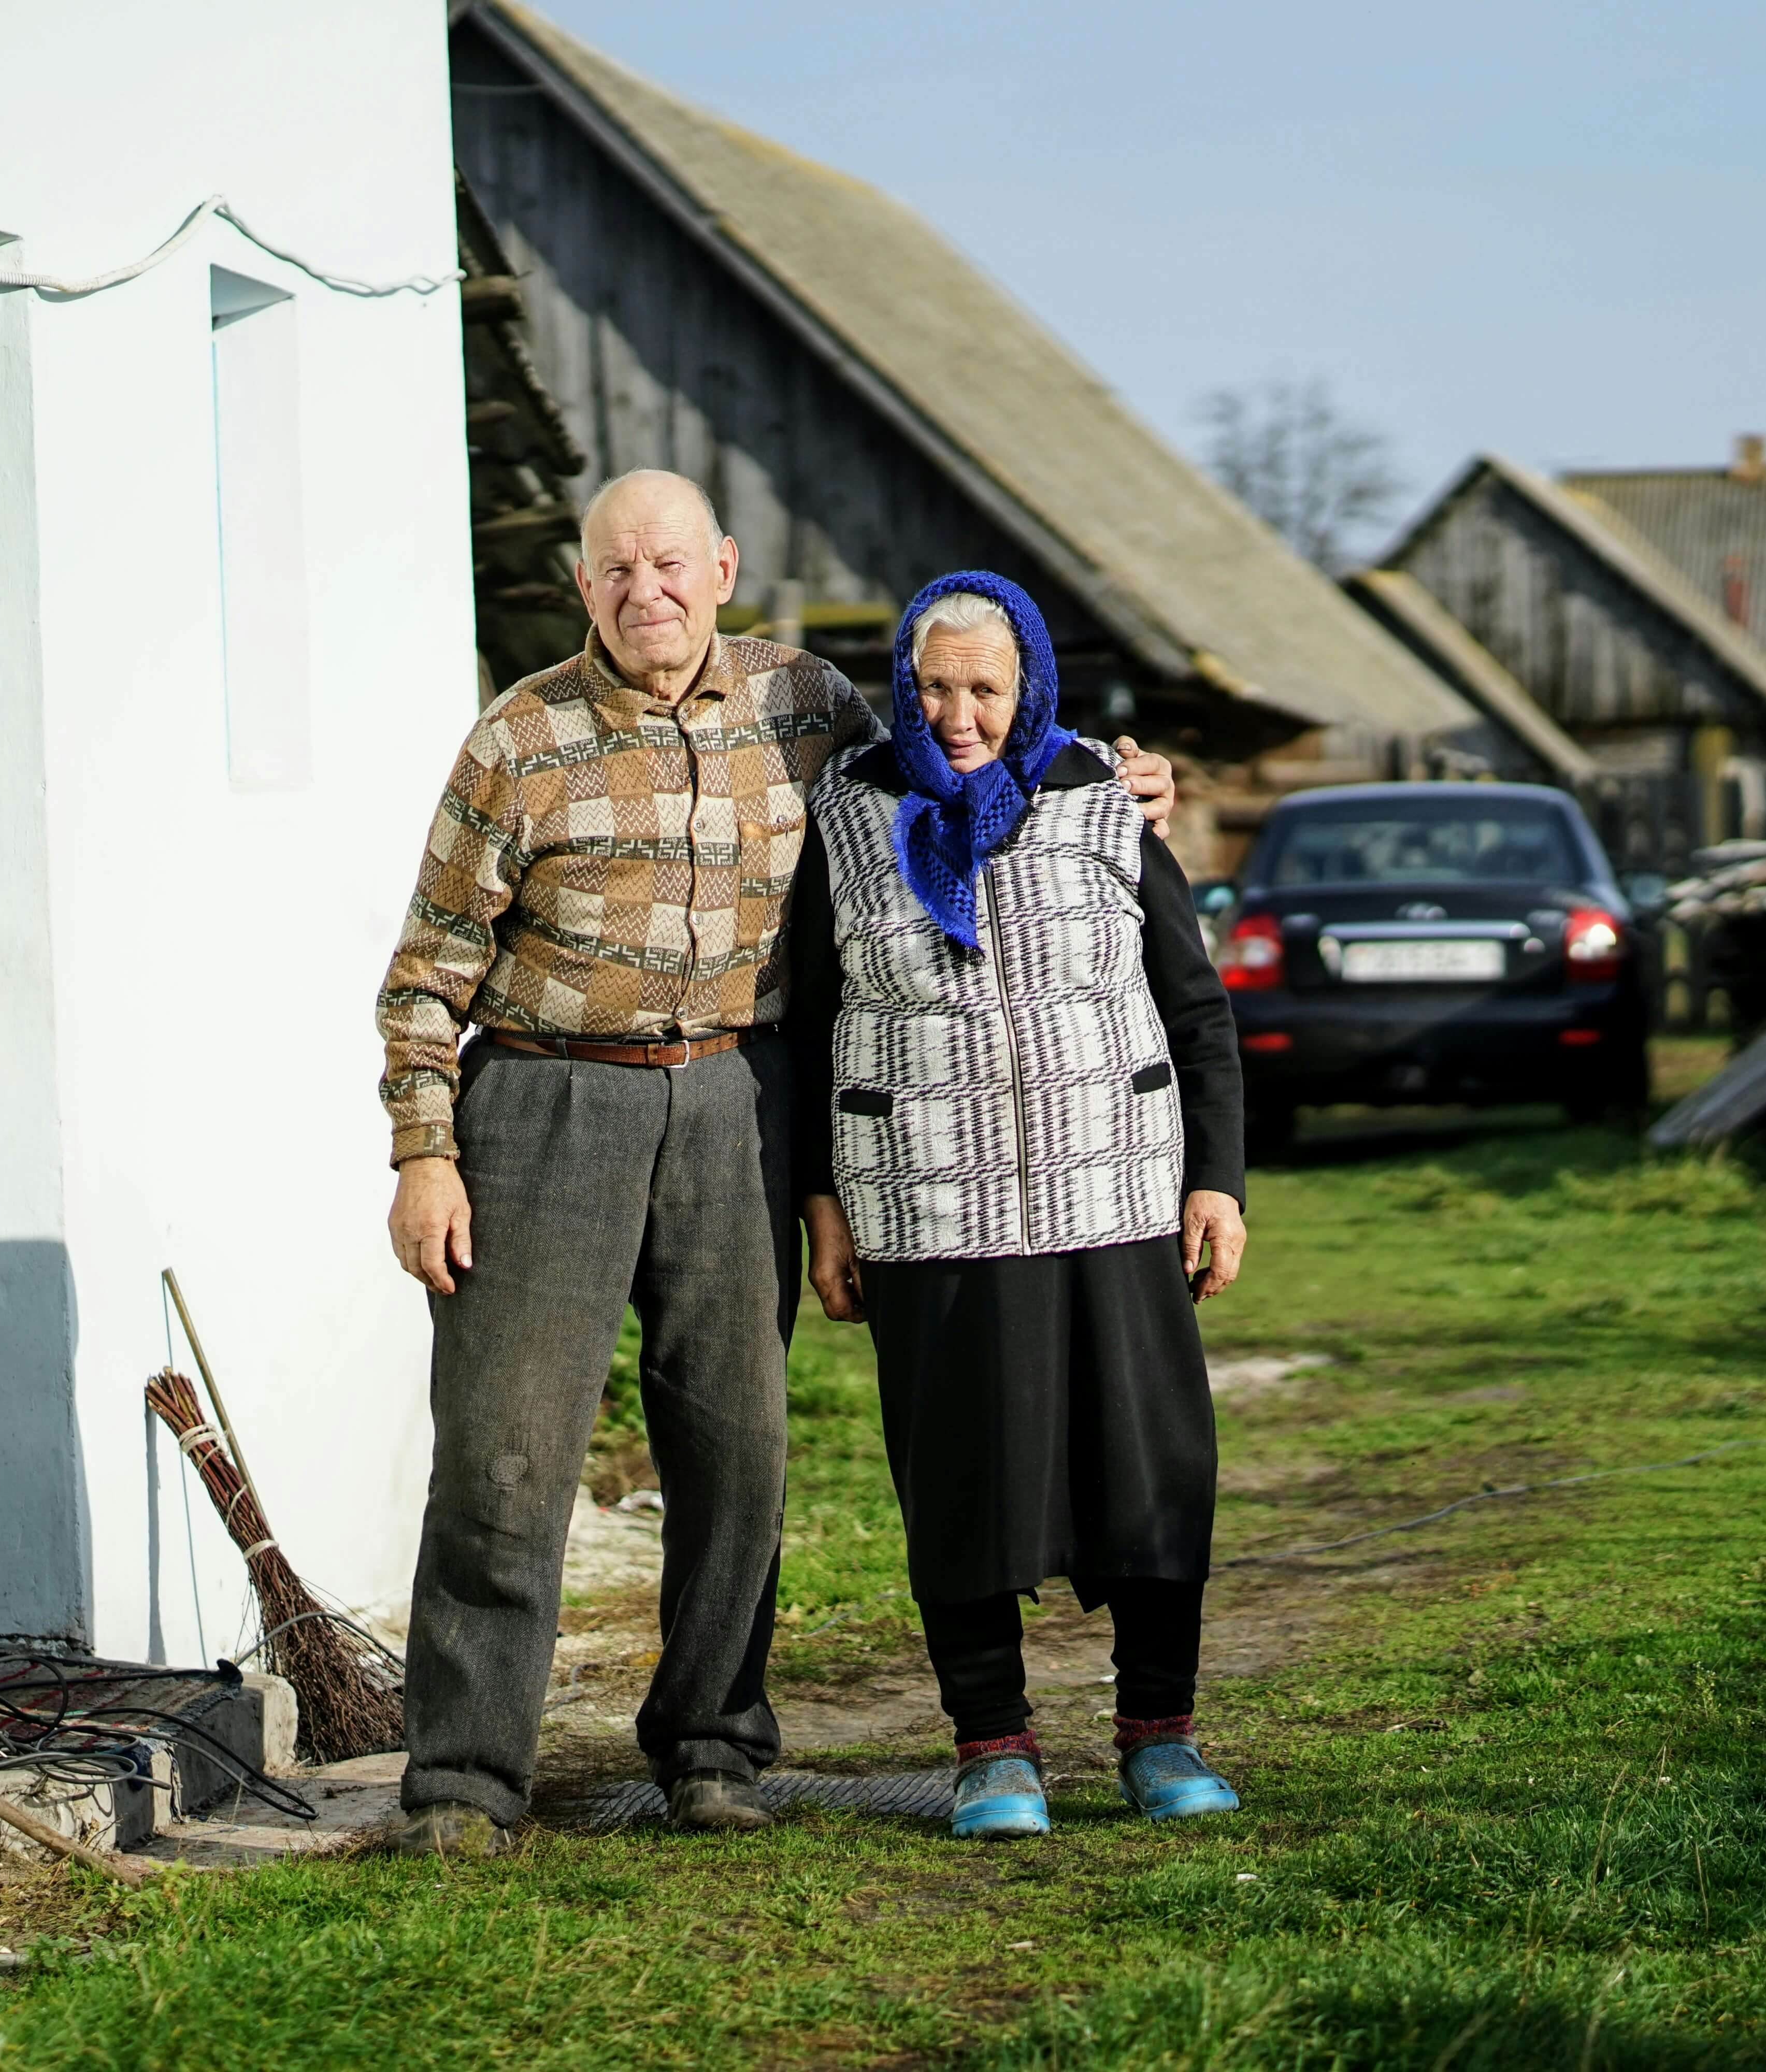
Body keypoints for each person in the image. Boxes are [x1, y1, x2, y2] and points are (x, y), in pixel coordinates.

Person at [372, 475, 1172, 1852]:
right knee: (505, 1459)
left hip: (740, 1099)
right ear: (584, 586)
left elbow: (959, 756)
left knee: (734, 1450)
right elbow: (427, 972)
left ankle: (714, 1747)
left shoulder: (808, 706)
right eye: (618, 570)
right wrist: (424, 1156)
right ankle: (466, 1778)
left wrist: (1119, 774)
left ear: (724, 568)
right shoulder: (518, 736)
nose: (649, 593)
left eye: (673, 565)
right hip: (546, 1107)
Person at [788, 570, 1247, 1841]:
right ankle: (993, 1745)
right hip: (926, 1207)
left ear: (1028, 682)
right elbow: (815, 1021)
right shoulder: (848, 808)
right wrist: (821, 1206)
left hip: (1111, 1190)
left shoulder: (1104, 797)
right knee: (960, 1480)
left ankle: (1160, 1731)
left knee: (1151, 1468)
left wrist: (1216, 1176)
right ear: (903, 684)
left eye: (984, 687)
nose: (957, 713)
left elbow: (1194, 1003)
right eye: (935, 686)